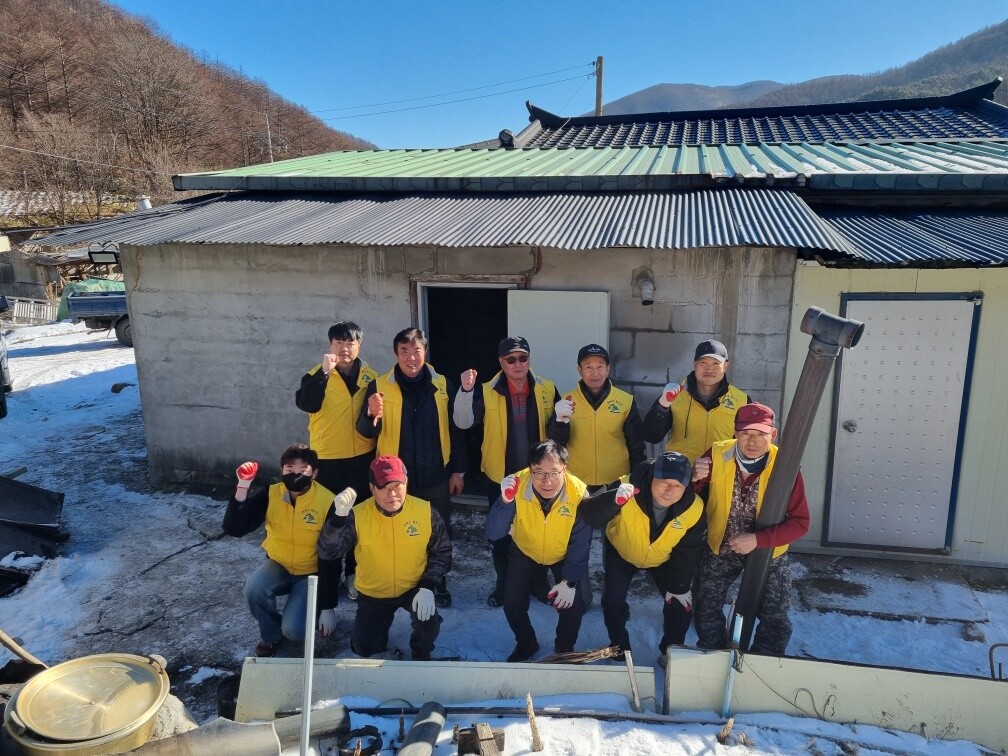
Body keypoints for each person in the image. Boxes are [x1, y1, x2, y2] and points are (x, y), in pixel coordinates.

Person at [357, 327, 465, 608]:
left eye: (416, 350)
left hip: (435, 473)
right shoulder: (379, 386)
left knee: (438, 531)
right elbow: (365, 432)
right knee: (398, 532)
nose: (411, 357)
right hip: (394, 480)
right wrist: (370, 413)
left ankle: (437, 583)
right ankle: (401, 583)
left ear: (425, 351)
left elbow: (456, 430)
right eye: (404, 351)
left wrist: (458, 471)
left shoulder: (442, 384)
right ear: (396, 354)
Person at [690, 403, 810, 656]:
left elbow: (800, 522)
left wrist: (758, 539)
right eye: (745, 433)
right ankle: (715, 654)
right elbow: (691, 498)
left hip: (767, 551)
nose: (752, 441)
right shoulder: (717, 454)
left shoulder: (786, 465)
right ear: (735, 432)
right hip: (721, 546)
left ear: (773, 434)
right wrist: (692, 479)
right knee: (704, 603)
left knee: (775, 614)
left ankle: (764, 660)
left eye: (760, 434)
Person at [486, 440, 622, 662]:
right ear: (530, 470)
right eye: (539, 472)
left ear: (564, 469)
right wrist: (505, 500)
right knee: (512, 603)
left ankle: (564, 648)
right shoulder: (517, 484)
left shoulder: (578, 492)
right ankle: (526, 643)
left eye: (554, 473)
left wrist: (569, 582)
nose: (546, 481)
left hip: (563, 553)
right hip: (525, 549)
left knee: (574, 606)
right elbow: (494, 532)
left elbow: (581, 542)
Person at [454, 336, 561, 608]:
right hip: (500, 478)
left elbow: (559, 432)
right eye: (511, 359)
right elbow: (464, 423)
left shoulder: (547, 388)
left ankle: (538, 583)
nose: (517, 364)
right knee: (501, 536)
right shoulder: (486, 390)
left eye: (522, 357)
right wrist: (465, 391)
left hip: (539, 478)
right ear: (501, 362)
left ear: (529, 359)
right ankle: (504, 583)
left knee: (538, 533)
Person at [222, 444, 355, 657]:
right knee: (254, 588)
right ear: (281, 470)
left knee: (294, 631)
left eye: (303, 470)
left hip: (311, 573)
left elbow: (332, 556)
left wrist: (328, 606)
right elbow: (235, 529)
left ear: (314, 473)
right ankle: (271, 634)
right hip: (279, 565)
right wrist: (243, 486)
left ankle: (311, 608)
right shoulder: (271, 494)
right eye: (289, 469)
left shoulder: (328, 501)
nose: (295, 474)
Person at [316, 455, 451, 661]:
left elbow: (442, 551)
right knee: (364, 648)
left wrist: (428, 586)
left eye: (397, 485)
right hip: (375, 592)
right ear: (371, 488)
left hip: (414, 587)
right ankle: (377, 636)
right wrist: (338, 519)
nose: (392, 493)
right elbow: (328, 552)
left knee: (428, 623)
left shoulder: (426, 512)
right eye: (384, 487)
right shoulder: (357, 515)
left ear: (406, 482)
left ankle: (420, 651)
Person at [579, 452, 706, 663]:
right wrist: (613, 500)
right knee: (613, 601)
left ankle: (670, 651)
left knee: (681, 603)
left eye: (677, 485)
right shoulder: (626, 486)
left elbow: (689, 550)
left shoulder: (694, 508)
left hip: (663, 558)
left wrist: (680, 586)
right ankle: (620, 648)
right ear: (652, 476)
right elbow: (589, 515)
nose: (669, 490)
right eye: (664, 482)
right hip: (622, 552)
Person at [295, 321, 378, 602]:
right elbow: (307, 404)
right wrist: (324, 374)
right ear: (330, 345)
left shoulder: (371, 376)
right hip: (328, 460)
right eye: (339, 343)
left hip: (362, 458)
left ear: (359, 345)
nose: (344, 348)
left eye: (350, 343)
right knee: (330, 522)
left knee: (358, 519)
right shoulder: (315, 375)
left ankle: (353, 574)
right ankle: (327, 584)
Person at [641, 339, 750, 463]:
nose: (709, 368)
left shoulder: (742, 400)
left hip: (720, 470)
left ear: (725, 366)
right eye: (703, 362)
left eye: (716, 363)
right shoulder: (674, 395)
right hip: (681, 470)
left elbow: (747, 444)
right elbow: (651, 436)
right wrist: (663, 405)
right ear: (695, 364)